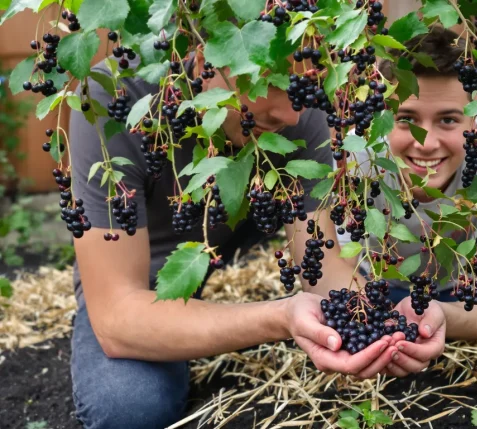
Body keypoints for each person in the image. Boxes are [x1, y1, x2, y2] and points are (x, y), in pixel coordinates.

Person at [68, 46, 415, 429]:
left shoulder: (298, 105)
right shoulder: (112, 94)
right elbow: (118, 317)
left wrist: (389, 327)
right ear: (202, 59)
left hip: (236, 229)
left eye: (304, 92)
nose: (293, 115)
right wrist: (280, 317)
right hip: (144, 271)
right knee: (127, 406)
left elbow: (322, 267)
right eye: (273, 84)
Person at [303, 26, 477, 378]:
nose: (425, 144)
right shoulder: (357, 155)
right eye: (407, 119)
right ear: (382, 113)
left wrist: (441, 317)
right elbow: (336, 272)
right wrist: (382, 326)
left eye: (448, 120)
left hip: (460, 297)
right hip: (373, 286)